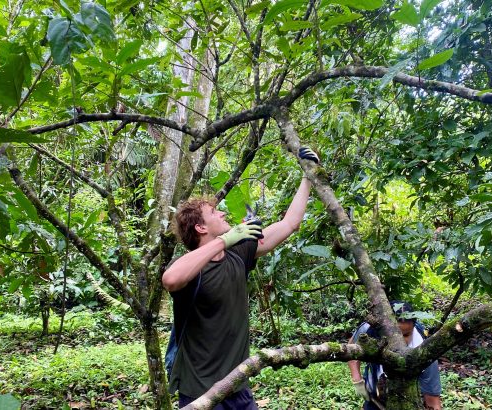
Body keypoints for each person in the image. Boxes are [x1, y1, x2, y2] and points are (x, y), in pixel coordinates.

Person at [162, 147, 319, 409]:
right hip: (198, 391)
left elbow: (289, 223)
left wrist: (308, 174)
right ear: (201, 228)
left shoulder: (238, 253)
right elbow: (170, 279)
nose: (222, 213)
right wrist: (225, 239)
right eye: (214, 213)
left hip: (237, 386)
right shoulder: (191, 268)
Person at [347, 301, 442, 410]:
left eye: (406, 335)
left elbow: (433, 400)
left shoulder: (423, 350)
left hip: (406, 399)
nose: (401, 341)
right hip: (374, 394)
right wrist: (357, 380)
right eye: (395, 335)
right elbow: (351, 350)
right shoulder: (369, 329)